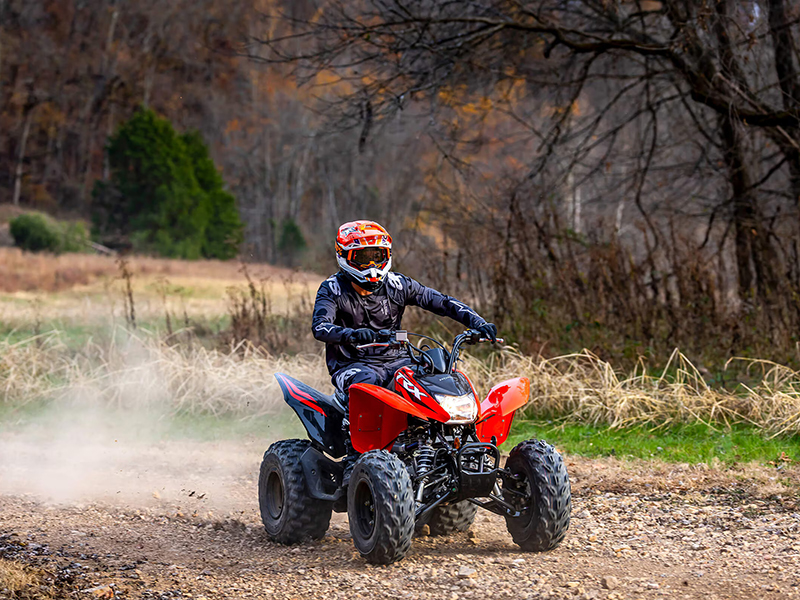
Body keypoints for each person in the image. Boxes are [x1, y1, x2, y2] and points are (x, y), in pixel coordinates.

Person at [312, 220, 497, 397]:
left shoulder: (398, 285)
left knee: (436, 370)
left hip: (398, 360)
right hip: (352, 365)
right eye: (363, 258)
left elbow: (443, 302)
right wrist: (353, 335)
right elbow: (320, 327)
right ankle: (353, 428)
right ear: (343, 256)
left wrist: (479, 323)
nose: (372, 266)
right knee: (366, 383)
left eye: (378, 256)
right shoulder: (332, 289)